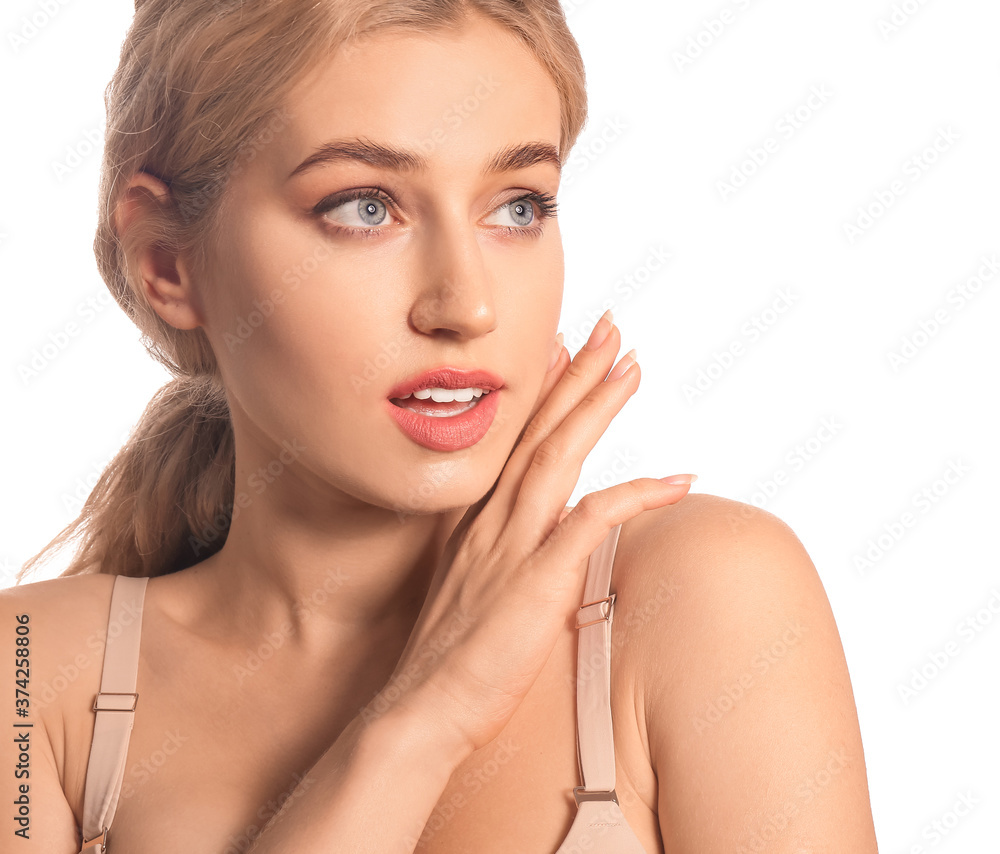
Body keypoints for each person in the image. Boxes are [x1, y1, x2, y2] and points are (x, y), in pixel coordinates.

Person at [2, 0, 879, 851]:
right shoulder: (28, 673)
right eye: (364, 208)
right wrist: (426, 716)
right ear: (167, 265)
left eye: (518, 207)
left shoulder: (701, 599)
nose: (468, 304)